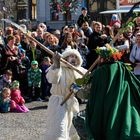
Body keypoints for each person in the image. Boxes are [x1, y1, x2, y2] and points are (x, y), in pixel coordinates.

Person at [85, 44, 140, 140]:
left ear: (103, 58)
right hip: (123, 103)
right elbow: (135, 83)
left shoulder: (99, 72)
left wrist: (78, 87)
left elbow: (87, 92)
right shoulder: (122, 67)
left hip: (104, 106)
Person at [44, 47, 87, 139]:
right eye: (71, 56)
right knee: (59, 128)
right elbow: (52, 79)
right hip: (58, 102)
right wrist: (56, 64)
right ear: (66, 57)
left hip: (71, 101)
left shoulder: (79, 70)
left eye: (76, 57)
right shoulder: (59, 68)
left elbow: (90, 77)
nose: (74, 59)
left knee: (70, 128)